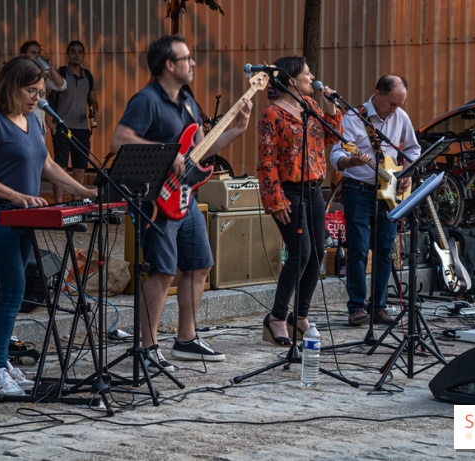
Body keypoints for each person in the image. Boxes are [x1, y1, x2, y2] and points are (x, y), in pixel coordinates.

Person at [110, 35, 252, 371]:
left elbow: (201, 149)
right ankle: (147, 348)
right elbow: (119, 141)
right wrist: (167, 151)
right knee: (162, 272)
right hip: (156, 199)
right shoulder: (146, 100)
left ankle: (186, 339)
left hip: (185, 197)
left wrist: (237, 130)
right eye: (186, 58)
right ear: (168, 65)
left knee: (200, 264)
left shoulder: (187, 99)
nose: (192, 63)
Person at [0, 56, 96, 397]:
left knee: (10, 290)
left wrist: (85, 191)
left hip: (24, 217)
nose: (38, 97)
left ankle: (2, 362)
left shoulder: (33, 122)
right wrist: (15, 194)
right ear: (12, 87)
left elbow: (47, 163)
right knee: (13, 289)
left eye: (40, 91)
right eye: (31, 91)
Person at [256, 57, 343, 346]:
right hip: (289, 191)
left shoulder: (312, 107)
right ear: (290, 79)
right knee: (300, 253)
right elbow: (266, 161)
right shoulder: (272, 114)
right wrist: (275, 200)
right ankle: (277, 317)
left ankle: (300, 316)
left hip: (315, 190)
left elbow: (332, 137)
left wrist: (329, 106)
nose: (312, 77)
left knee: (318, 252)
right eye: (306, 73)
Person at [329, 75, 421, 326]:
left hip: (390, 192)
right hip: (358, 190)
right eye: (392, 103)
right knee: (358, 250)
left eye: (400, 104)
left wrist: (406, 172)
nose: (396, 109)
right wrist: (350, 161)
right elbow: (336, 154)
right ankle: (357, 307)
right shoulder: (352, 117)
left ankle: (379, 306)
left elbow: (413, 149)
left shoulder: (400, 117)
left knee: (384, 251)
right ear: (377, 94)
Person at [48, 41, 99, 198]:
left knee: (79, 169)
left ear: (84, 55)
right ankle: (58, 204)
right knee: (60, 169)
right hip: (62, 127)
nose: (77, 54)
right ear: (67, 55)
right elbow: (44, 99)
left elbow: (93, 100)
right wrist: (50, 123)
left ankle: (76, 203)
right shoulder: (60, 74)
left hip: (82, 129)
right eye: (73, 51)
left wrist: (94, 109)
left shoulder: (88, 77)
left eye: (80, 52)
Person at [19, 40, 67, 138]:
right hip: (24, 126)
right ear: (23, 55)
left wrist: (50, 67)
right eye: (33, 53)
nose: (37, 56)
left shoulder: (42, 77)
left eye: (38, 53)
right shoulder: (18, 75)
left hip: (40, 126)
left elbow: (62, 85)